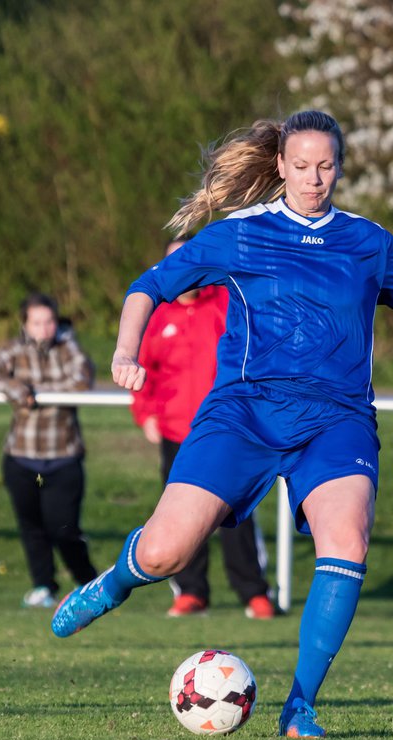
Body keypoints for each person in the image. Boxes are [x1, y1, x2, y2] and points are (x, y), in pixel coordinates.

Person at [50, 110, 393, 738]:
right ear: (280, 166)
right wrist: (126, 350)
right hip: (244, 413)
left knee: (346, 541)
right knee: (166, 551)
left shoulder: (368, 243)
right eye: (301, 166)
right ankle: (119, 580)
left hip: (337, 420)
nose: (314, 179)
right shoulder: (241, 234)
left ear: (339, 166)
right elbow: (148, 288)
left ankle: (301, 707)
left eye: (326, 166)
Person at [131, 237, 275, 620]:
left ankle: (254, 591)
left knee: (234, 513)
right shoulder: (157, 316)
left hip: (229, 430)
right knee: (179, 516)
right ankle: (191, 591)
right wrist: (146, 414)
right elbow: (144, 369)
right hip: (178, 432)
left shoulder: (227, 304)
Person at [0, 293, 98, 608]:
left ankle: (91, 584)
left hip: (63, 456)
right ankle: (44, 586)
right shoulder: (14, 351)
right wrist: (16, 388)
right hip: (21, 456)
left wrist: (40, 393)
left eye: (50, 321)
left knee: (64, 528)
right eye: (37, 322)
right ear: (25, 324)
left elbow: (82, 380)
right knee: (32, 527)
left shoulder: (69, 349)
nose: (44, 328)